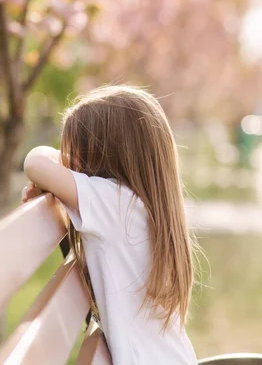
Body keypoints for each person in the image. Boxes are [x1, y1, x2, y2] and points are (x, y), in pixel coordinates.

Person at [22, 86, 198, 364]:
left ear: (104, 154)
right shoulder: (138, 205)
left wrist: (52, 175)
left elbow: (35, 163)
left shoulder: (114, 203)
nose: (71, 165)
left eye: (75, 155)